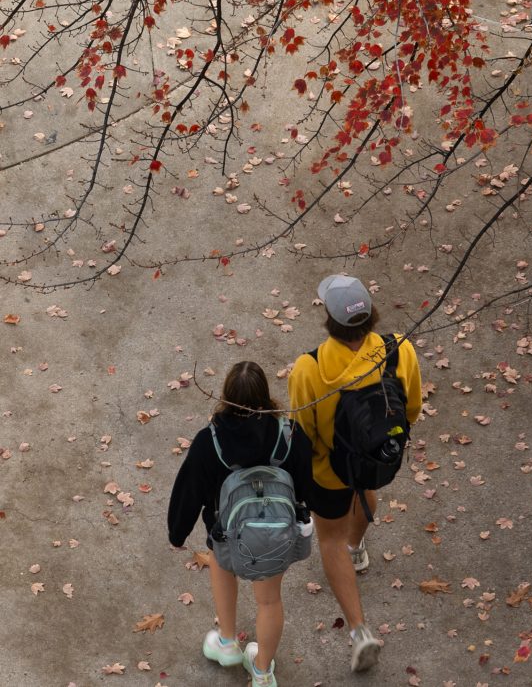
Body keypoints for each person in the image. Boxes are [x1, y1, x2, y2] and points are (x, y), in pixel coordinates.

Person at [289, 274, 422, 673]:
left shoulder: (310, 368)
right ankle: (358, 549)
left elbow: (302, 433)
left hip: (329, 469)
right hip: (380, 458)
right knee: (363, 490)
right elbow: (411, 408)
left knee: (329, 538)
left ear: (329, 321)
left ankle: (360, 631)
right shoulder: (400, 352)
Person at [168, 360, 315, 687]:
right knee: (269, 600)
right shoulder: (289, 435)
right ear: (266, 396)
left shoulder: (211, 441)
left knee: (223, 567)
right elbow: (306, 485)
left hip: (225, 533)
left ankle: (227, 641)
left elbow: (189, 488)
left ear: (226, 396)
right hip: (274, 535)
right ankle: (262, 670)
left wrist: (177, 532)